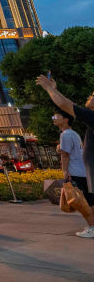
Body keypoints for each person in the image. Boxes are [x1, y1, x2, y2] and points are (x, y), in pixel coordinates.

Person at [36, 75, 94, 238]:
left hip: (80, 170)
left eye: (93, 95)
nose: (89, 97)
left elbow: (65, 105)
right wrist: (54, 90)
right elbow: (69, 105)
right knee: (90, 201)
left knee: (85, 202)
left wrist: (48, 88)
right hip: (86, 170)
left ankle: (92, 227)